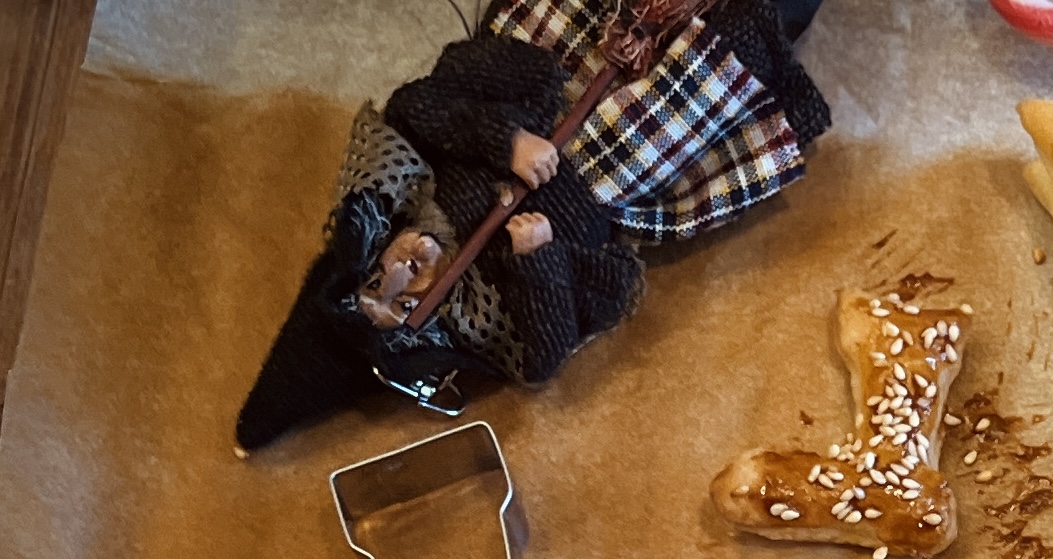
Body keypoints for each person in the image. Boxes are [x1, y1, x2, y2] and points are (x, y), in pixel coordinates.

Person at [237, 0, 826, 452]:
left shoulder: (410, 184)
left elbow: (423, 102)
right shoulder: (479, 315)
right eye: (397, 303)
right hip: (622, 162)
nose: (401, 274)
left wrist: (508, 141)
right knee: (743, 39)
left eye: (373, 282)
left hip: (560, 66)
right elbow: (546, 345)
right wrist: (537, 254)